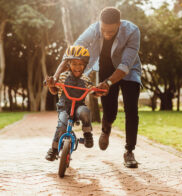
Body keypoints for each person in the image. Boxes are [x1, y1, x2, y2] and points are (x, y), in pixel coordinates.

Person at [51, 7, 141, 168]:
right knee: (110, 110)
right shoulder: (94, 29)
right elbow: (73, 51)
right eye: (104, 30)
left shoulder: (132, 31)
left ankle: (129, 151)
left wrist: (109, 83)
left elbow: (126, 64)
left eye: (111, 31)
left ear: (119, 24)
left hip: (129, 71)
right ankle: (106, 129)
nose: (106, 34)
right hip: (106, 69)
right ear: (100, 24)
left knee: (131, 110)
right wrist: (56, 75)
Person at [45, 45, 100, 161]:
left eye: (80, 64)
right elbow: (54, 90)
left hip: (78, 107)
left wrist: (97, 91)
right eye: (74, 64)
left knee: (85, 112)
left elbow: (93, 91)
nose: (77, 67)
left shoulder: (85, 79)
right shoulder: (62, 77)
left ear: (85, 65)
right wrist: (51, 85)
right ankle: (54, 150)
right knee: (61, 126)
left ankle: (87, 134)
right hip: (64, 108)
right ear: (68, 64)